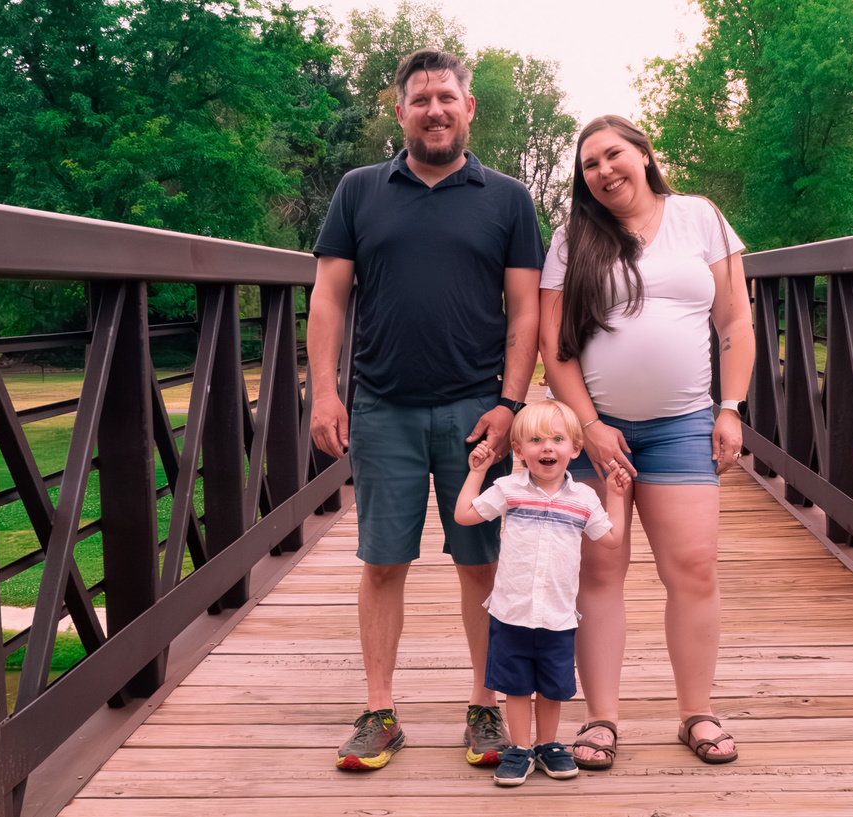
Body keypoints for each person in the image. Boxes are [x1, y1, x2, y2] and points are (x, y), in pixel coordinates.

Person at [307, 48, 546, 771]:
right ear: (400, 110)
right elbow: (327, 296)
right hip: (382, 407)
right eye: (420, 98)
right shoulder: (357, 190)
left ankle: (486, 707)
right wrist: (324, 389)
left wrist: (509, 403)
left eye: (447, 96)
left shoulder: (507, 199)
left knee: (481, 563)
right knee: (382, 562)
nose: (435, 109)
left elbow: (527, 310)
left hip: (477, 412)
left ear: (469, 108)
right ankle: (380, 710)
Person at [537, 115, 755, 769]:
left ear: (642, 152)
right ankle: (600, 718)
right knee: (599, 571)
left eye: (613, 155)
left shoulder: (700, 218)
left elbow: (735, 319)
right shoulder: (571, 238)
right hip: (588, 434)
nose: (603, 171)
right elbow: (554, 346)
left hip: (682, 424)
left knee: (692, 568)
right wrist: (591, 426)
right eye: (589, 165)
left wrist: (730, 407)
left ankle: (696, 710)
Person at [453, 400, 630, 786]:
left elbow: (612, 538)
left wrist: (615, 495)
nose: (547, 447)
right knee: (516, 686)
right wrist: (476, 472)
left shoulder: (583, 498)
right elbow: (465, 514)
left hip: (558, 613)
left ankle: (547, 745)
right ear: (519, 451)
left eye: (557, 439)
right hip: (512, 610)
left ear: (575, 448)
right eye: (535, 440)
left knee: (552, 687)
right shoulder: (509, 489)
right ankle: (519, 748)